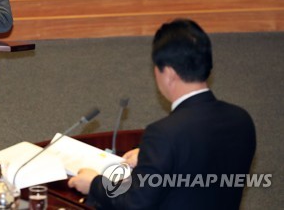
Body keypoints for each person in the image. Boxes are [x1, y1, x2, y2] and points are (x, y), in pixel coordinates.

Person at [68, 18, 256, 209]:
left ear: (168, 73)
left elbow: (135, 204)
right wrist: (153, 157)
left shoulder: (164, 134)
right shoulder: (241, 119)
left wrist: (94, 184)